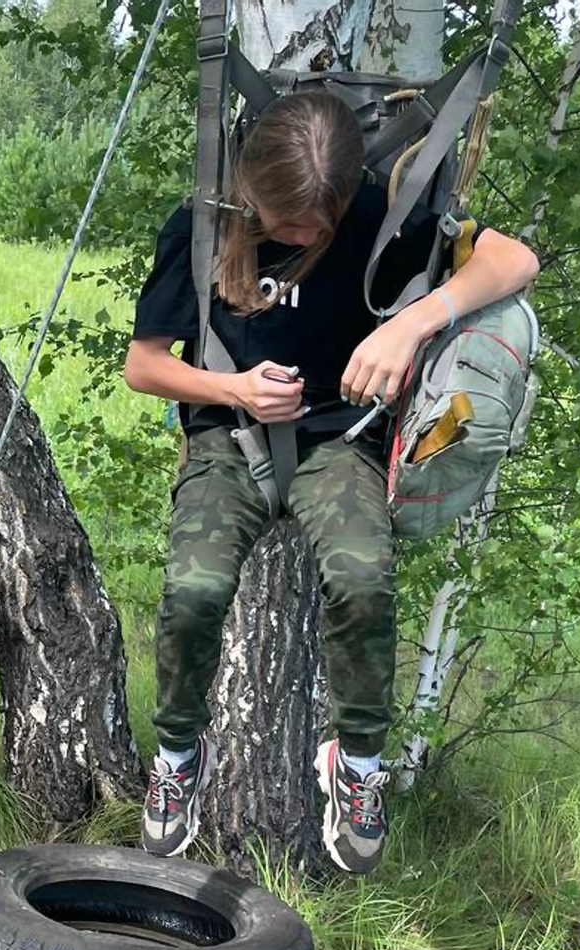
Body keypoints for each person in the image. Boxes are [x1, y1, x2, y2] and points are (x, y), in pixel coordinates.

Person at [123, 91, 539, 874]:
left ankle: (356, 764)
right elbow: (144, 366)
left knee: (363, 577)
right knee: (194, 589)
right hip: (230, 439)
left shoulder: (381, 216)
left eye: (322, 219)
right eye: (290, 224)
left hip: (337, 439)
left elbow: (516, 261)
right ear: (252, 195)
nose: (308, 235)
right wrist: (235, 389)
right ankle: (179, 753)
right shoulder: (203, 225)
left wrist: (409, 323)